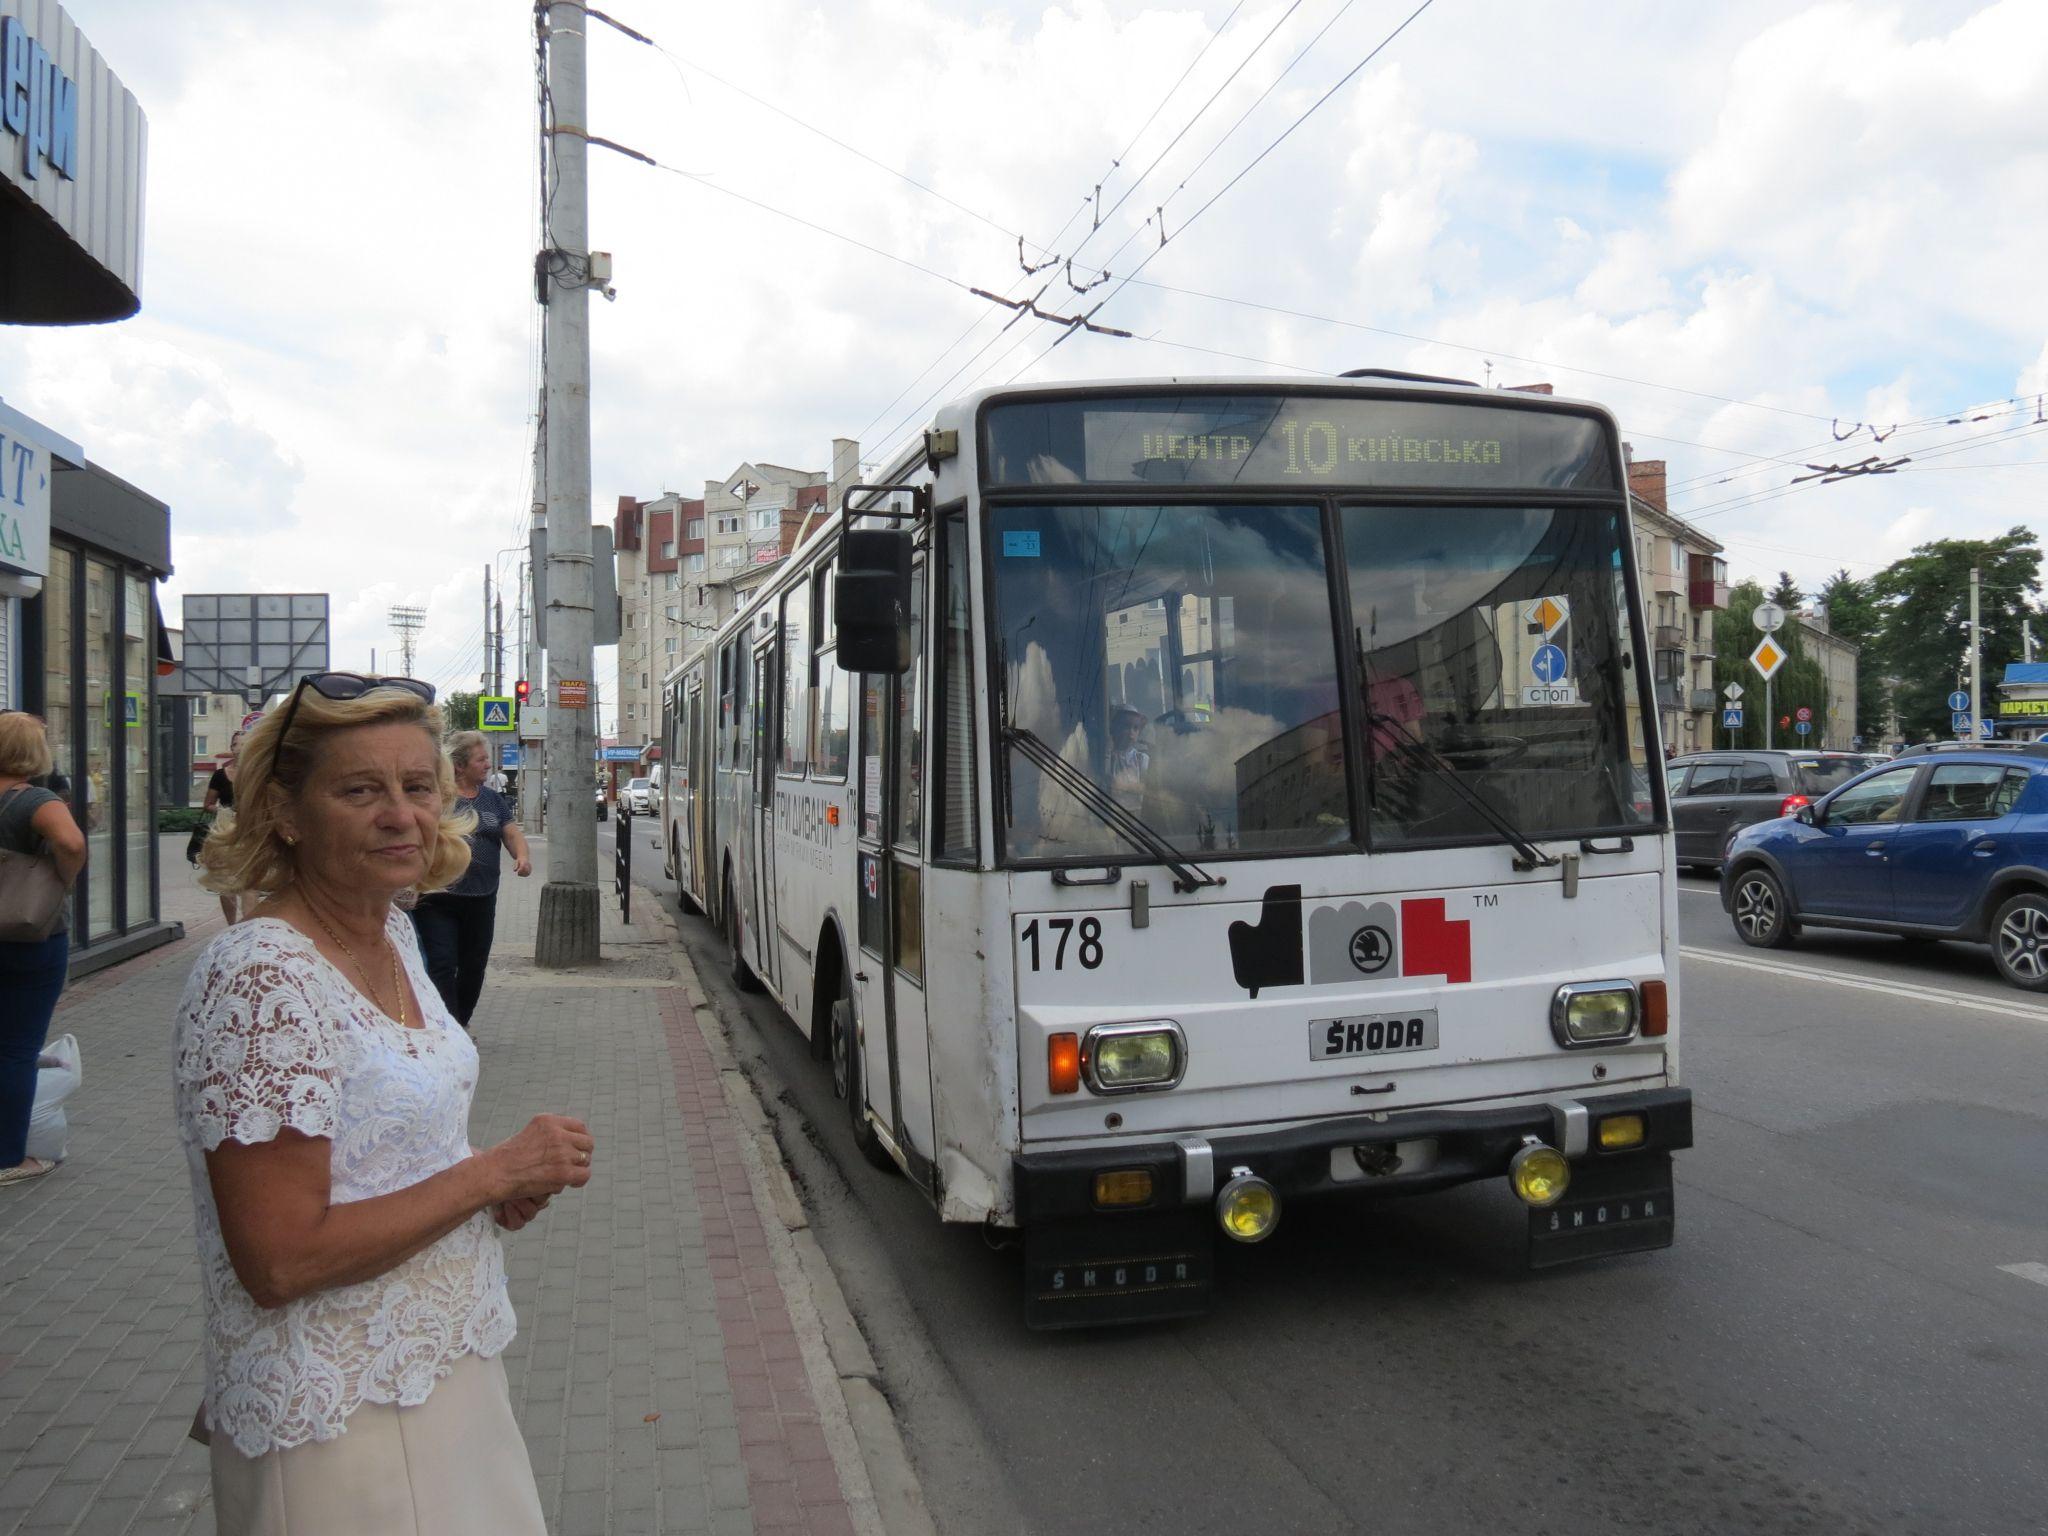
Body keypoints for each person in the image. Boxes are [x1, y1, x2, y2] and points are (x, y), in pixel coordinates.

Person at [178, 673, 591, 1534]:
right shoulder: (261, 979)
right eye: (360, 791)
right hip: (342, 1422)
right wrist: (489, 1175)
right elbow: (280, 1261)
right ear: (286, 812)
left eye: (417, 787)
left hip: (443, 1369)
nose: (402, 815)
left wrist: (483, 1190)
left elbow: (390, 1151)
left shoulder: (391, 930)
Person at [0, 712, 86, 1188]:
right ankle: (9, 1157)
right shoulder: (34, 799)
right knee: (16, 1049)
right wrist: (62, 879)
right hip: (30, 934)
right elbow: (70, 842)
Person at [409, 731, 530, 1029]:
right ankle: (448, 1028)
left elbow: (510, 832)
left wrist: (522, 856)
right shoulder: (439, 799)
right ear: (460, 766)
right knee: (442, 963)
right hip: (438, 897)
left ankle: (460, 1022)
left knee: (474, 967)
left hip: (482, 896)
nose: (488, 764)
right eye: (481, 759)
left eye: (487, 758)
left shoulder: (492, 800)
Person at [199, 733, 245, 925]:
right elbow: (208, 804)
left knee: (250, 882)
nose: (241, 748)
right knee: (226, 881)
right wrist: (224, 812)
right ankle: (232, 926)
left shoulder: (258, 774)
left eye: (245, 744)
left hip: (250, 830)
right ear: (232, 748)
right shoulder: (220, 775)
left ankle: (248, 926)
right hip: (226, 832)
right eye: (237, 744)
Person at [1108, 706, 1151, 804]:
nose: (1131, 732)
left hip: (1135, 811)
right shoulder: (1108, 757)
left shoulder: (1142, 759)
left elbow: (1147, 789)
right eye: (1126, 726)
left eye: (1135, 728)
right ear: (1115, 728)